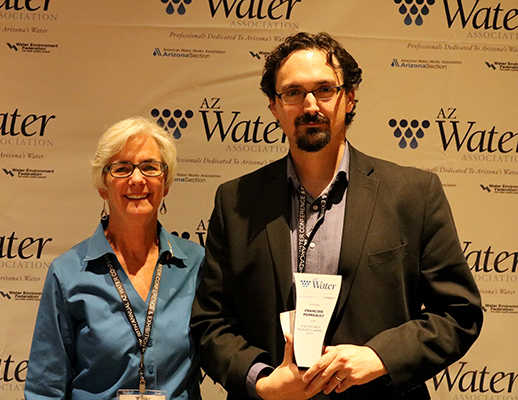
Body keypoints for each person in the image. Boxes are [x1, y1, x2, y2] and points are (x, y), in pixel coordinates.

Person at [190, 32, 483, 400]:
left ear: (349, 98)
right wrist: (261, 380)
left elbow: (458, 313)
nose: (310, 105)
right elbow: (210, 322)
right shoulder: (236, 201)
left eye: (325, 89)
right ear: (273, 106)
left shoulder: (413, 193)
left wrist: (380, 357)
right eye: (293, 93)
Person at [25, 117, 204, 400]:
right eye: (121, 168)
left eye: (149, 167)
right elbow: (45, 389)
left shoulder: (197, 265)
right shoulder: (67, 273)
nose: (137, 179)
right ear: (102, 186)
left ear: (165, 183)